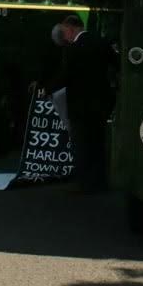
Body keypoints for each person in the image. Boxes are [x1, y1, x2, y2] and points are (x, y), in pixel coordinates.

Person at [48, 15, 117, 193]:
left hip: (79, 105)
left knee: (82, 145)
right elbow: (116, 65)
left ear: (71, 29)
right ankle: (100, 182)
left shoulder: (73, 49)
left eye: (65, 33)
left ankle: (85, 184)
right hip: (101, 103)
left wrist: (47, 88)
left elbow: (65, 76)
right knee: (98, 144)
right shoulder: (101, 42)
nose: (65, 37)